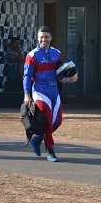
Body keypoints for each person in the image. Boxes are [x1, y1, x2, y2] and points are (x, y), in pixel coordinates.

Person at [24, 26, 63, 162]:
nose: (43, 40)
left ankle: (38, 138)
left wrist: (70, 77)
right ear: (38, 38)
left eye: (46, 37)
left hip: (54, 91)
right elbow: (27, 76)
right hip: (40, 91)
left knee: (57, 121)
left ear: (51, 38)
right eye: (41, 37)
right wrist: (27, 94)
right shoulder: (32, 55)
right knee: (47, 120)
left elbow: (61, 72)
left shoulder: (57, 53)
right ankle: (50, 151)